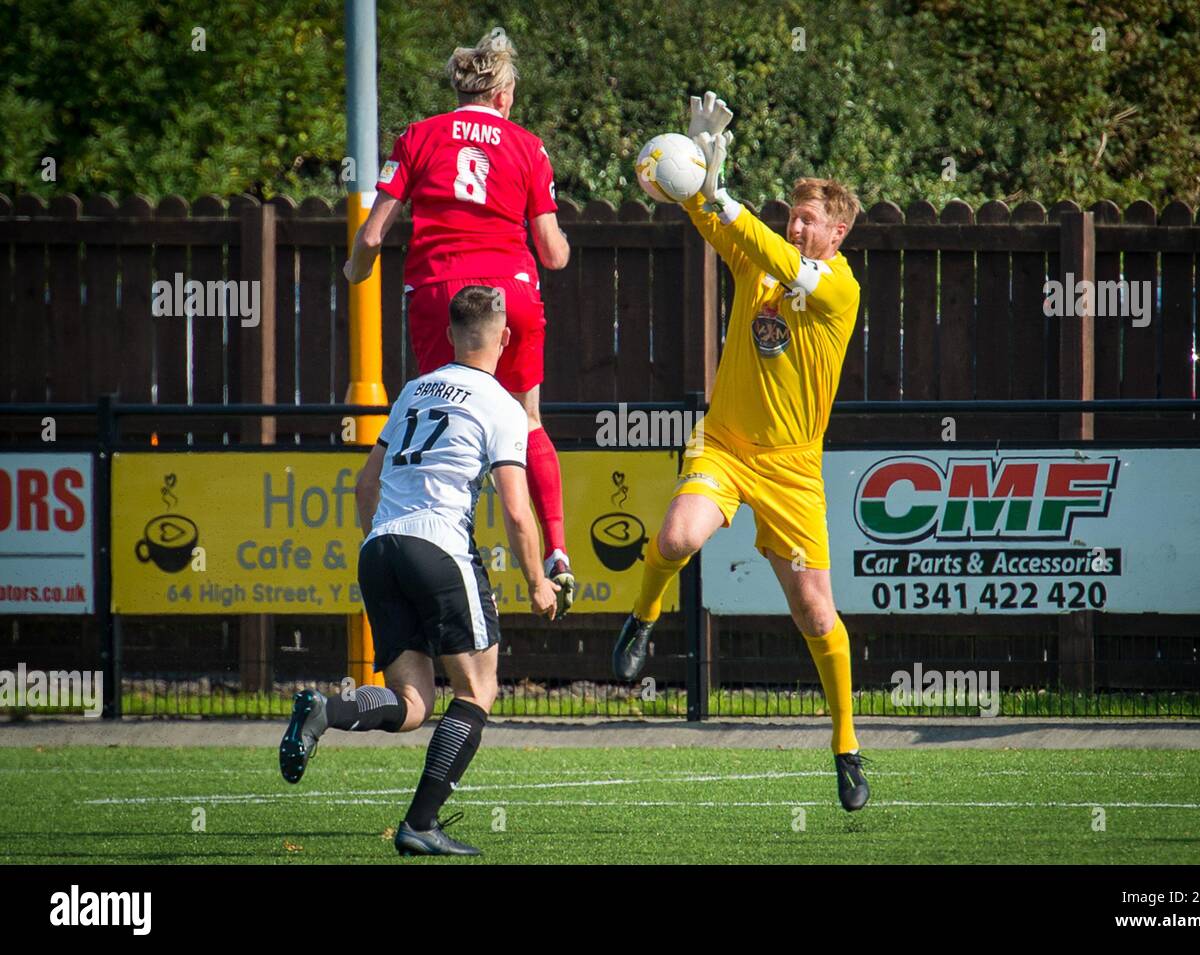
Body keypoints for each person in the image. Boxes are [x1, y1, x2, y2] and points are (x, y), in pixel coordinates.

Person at [611, 93, 870, 811]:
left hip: (792, 469)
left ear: (837, 232)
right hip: (725, 445)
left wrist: (724, 196)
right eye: (793, 213)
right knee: (675, 535)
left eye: (810, 217)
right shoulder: (761, 263)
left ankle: (846, 744)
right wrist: (693, 181)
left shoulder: (839, 287)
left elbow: (772, 252)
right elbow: (716, 226)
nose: (797, 223)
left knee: (816, 613)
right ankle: (644, 616)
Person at [279, 285, 560, 858]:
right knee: (478, 691)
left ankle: (325, 710)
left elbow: (364, 484)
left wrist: (386, 546)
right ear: (504, 338)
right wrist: (537, 582)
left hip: (380, 548)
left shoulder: (412, 391)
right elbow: (515, 508)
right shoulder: (503, 404)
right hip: (438, 547)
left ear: (451, 336)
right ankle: (420, 824)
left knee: (413, 705)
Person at [343, 29, 576, 616]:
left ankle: (441, 542)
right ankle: (555, 551)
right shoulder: (527, 145)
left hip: (439, 291)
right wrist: (565, 245)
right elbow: (551, 253)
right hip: (512, 291)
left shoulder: (417, 138)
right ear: (503, 93)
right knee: (526, 418)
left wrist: (354, 269)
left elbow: (373, 234)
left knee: (442, 409)